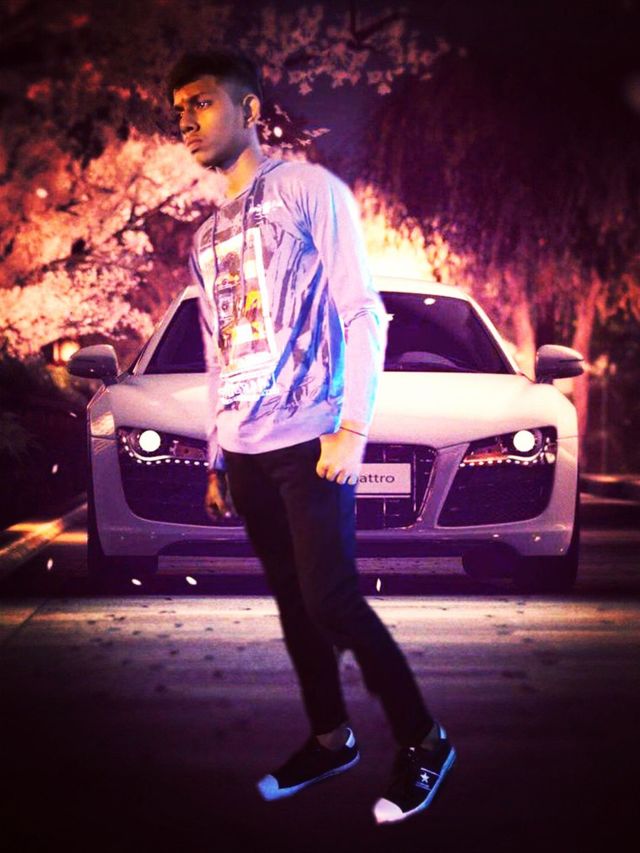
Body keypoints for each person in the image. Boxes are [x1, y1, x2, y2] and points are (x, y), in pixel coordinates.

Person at [167, 49, 455, 824]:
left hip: (311, 438)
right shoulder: (204, 237)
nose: (185, 119)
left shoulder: (307, 189)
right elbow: (219, 348)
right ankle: (331, 739)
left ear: (249, 109)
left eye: (200, 101)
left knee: (332, 599)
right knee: (294, 605)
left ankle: (425, 738)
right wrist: (217, 454)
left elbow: (363, 310)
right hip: (247, 448)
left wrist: (352, 426)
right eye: (178, 108)